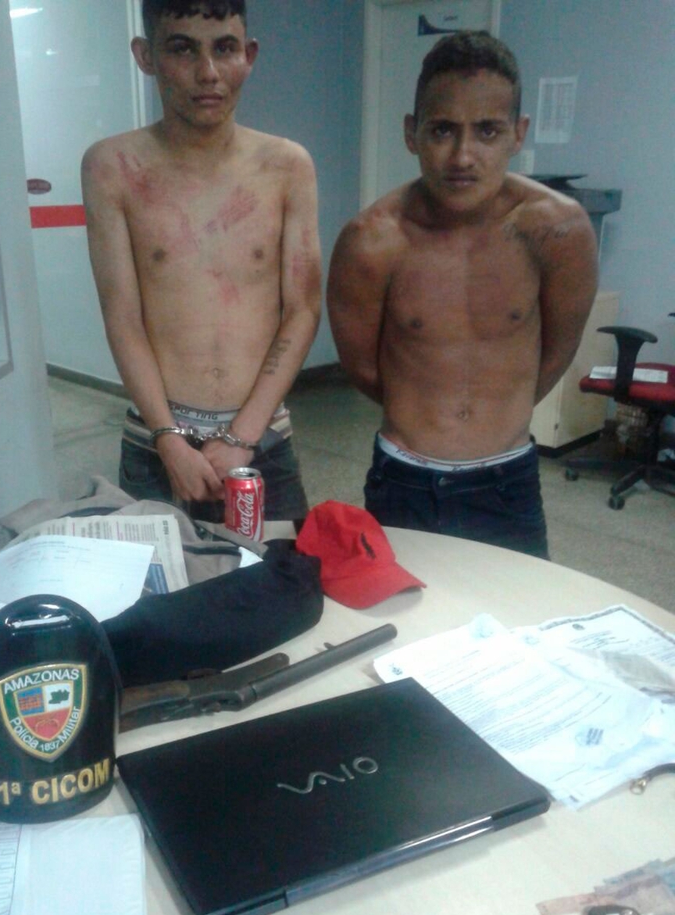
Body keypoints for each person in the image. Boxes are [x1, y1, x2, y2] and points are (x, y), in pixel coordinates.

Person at [327, 31, 598, 559]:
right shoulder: (372, 240)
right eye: (443, 129)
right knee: (403, 612)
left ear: (518, 134)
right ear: (412, 133)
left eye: (487, 130)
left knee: (519, 611)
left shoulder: (558, 230)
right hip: (404, 479)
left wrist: (495, 412)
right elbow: (362, 369)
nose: (462, 156)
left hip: (508, 481)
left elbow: (555, 353)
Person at [82, 0, 321, 524]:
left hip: (262, 437)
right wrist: (169, 440)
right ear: (145, 56)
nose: (208, 72)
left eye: (224, 49)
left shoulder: (287, 166)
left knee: (282, 574)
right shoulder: (112, 167)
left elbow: (303, 309)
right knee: (161, 578)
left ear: (249, 55)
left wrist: (241, 437)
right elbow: (122, 317)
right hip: (157, 441)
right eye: (183, 48)